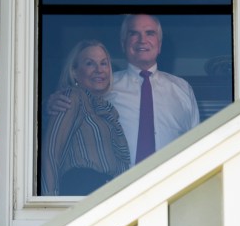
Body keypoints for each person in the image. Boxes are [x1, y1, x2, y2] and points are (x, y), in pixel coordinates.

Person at [48, 14, 200, 165]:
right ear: (123, 44)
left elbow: (196, 146)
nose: (142, 40)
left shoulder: (183, 89)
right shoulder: (104, 86)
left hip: (172, 184)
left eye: (150, 33)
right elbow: (69, 115)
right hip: (116, 185)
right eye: (133, 33)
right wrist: (49, 106)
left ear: (159, 44)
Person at [41, 40, 130, 196]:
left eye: (104, 64)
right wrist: (49, 201)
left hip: (107, 191)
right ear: (74, 71)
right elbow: (50, 152)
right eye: (90, 64)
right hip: (82, 188)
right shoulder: (73, 97)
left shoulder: (107, 108)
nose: (99, 70)